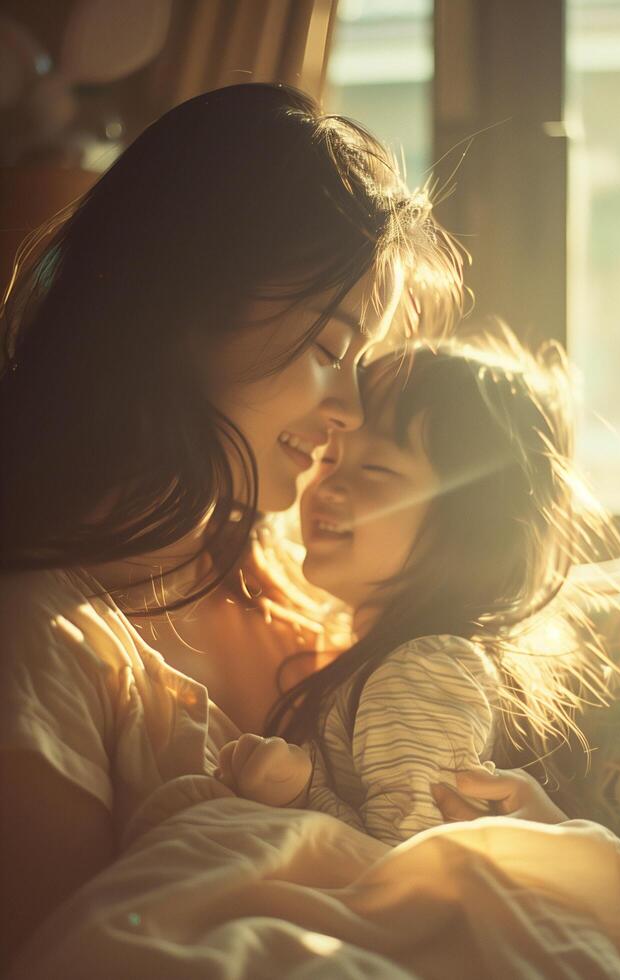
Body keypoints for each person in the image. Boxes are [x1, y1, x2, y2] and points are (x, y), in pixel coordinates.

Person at [0, 82, 464, 966]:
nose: (352, 414)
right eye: (331, 349)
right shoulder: (36, 641)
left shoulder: (329, 603)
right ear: (183, 302)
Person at [217, 329, 620, 845]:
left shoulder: (423, 669)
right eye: (330, 459)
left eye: (377, 467)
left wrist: (298, 792)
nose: (329, 485)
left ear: (474, 524)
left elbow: (410, 863)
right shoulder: (401, 657)